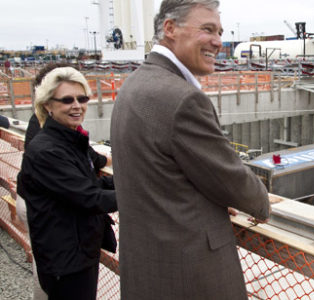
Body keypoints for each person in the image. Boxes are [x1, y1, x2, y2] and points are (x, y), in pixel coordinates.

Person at [111, 0, 270, 299]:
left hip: (149, 269)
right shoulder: (182, 98)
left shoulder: (134, 85)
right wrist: (262, 201)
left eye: (220, 32)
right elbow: (236, 183)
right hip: (190, 276)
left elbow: (164, 175)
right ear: (170, 28)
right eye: (207, 29)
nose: (218, 42)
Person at [17, 67, 117, 300]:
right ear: (47, 106)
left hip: (77, 251)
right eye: (66, 100)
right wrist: (142, 191)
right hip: (66, 260)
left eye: (82, 99)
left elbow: (87, 184)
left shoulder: (68, 139)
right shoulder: (47, 151)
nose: (77, 105)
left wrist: (125, 180)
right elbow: (88, 197)